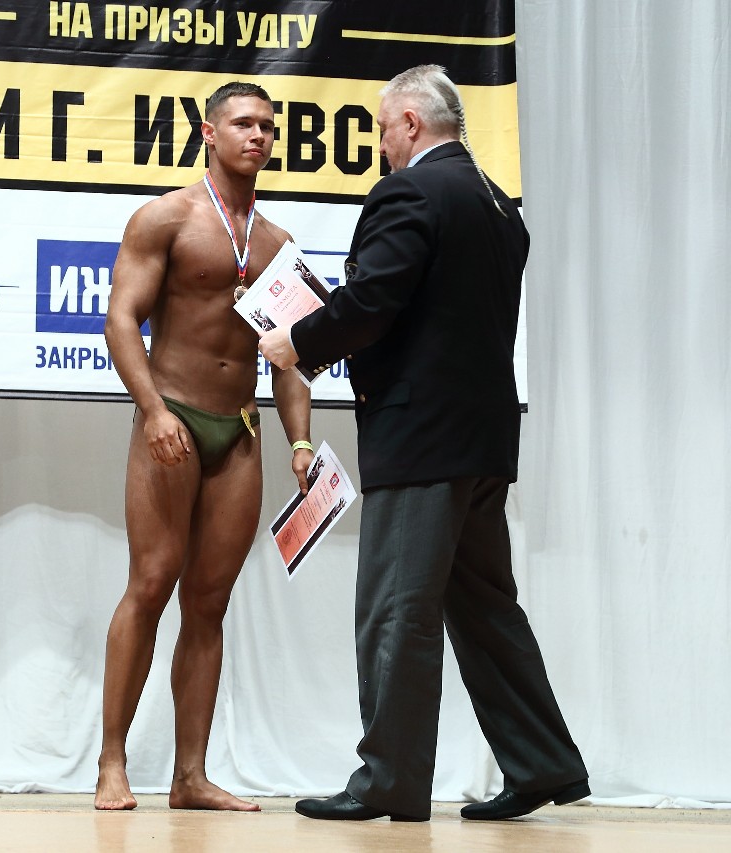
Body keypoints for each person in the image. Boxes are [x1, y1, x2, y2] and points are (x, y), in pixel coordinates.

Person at [259, 65, 588, 822]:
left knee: (397, 607)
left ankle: (390, 779)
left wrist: (297, 341)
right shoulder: (498, 205)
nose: (380, 143)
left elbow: (375, 299)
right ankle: (540, 761)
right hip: (481, 438)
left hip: (421, 436)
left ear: (411, 122)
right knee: (484, 607)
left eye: (382, 128)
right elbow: (434, 309)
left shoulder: (409, 192)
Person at [95, 82, 314, 812]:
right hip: (175, 417)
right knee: (152, 581)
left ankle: (190, 776)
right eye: (244, 123)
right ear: (209, 133)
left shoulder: (278, 244)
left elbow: (288, 358)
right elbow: (121, 320)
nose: (259, 136)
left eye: (268, 127)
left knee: (209, 602)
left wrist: (301, 442)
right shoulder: (166, 217)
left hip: (240, 430)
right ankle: (112, 763)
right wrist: (152, 409)